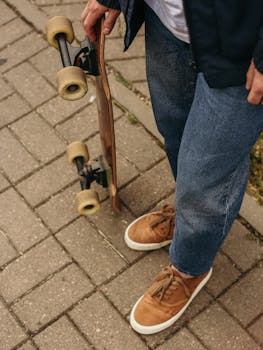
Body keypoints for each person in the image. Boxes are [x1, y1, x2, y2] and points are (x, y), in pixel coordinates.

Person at [81, 0, 263, 335]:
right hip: (167, 22)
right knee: (176, 133)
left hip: (241, 43)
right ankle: (189, 219)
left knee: (206, 174)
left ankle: (190, 267)